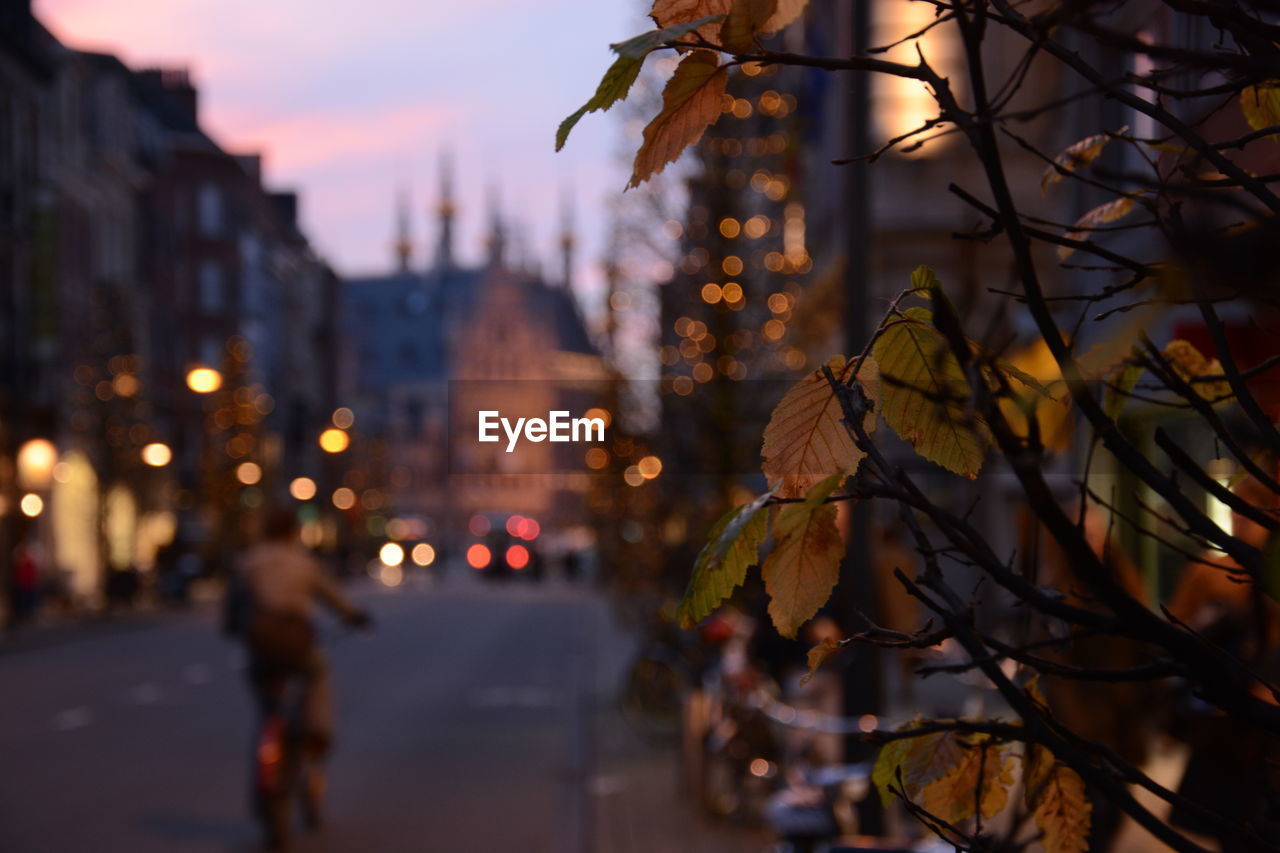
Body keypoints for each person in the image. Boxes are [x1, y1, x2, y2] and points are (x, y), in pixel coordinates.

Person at [227, 507, 370, 832]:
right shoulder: (303, 563)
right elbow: (335, 599)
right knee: (318, 678)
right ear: (294, 532)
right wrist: (354, 616)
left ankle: (266, 764)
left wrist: (238, 627)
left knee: (267, 710)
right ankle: (316, 738)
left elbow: (232, 612)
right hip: (297, 649)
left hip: (261, 650)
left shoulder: (248, 563)